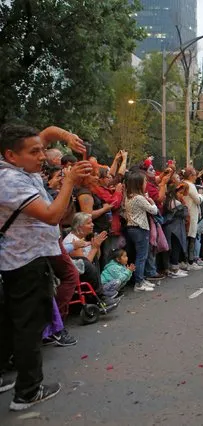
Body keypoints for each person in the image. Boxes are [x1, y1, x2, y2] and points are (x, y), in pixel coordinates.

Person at [0, 124, 92, 411]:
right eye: (34, 151)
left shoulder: (18, 169)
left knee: (11, 321)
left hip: (24, 257)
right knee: (29, 326)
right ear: (11, 155)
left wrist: (67, 138)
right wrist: (69, 182)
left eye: (42, 149)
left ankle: (5, 374)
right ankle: (27, 392)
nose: (43, 156)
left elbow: (49, 132)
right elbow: (52, 215)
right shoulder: (10, 181)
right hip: (26, 261)